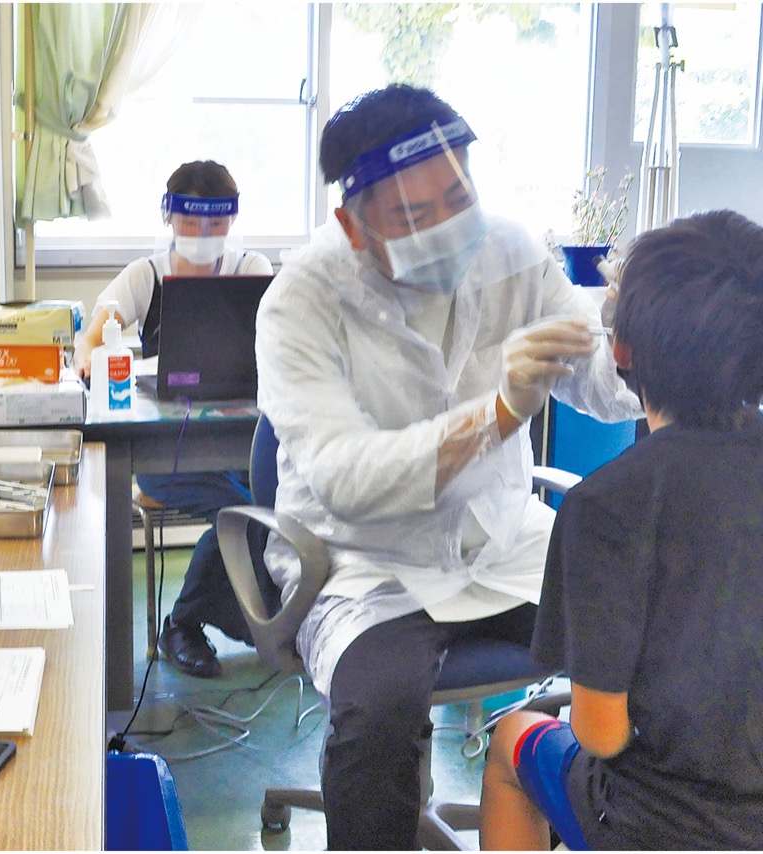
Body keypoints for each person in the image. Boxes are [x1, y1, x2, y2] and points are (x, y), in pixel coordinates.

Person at [253, 84, 641, 849]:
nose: (446, 228)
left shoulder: (512, 255)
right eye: (412, 215)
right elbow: (345, 479)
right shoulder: (300, 302)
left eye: (457, 198)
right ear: (352, 224)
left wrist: (638, 337)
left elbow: (598, 379)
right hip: (366, 563)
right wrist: (496, 414)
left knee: (650, 637)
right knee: (376, 715)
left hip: (503, 539)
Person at [479, 210, 763, 850]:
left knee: (510, 741)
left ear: (623, 352)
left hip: (665, 823)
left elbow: (601, 734)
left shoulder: (607, 505)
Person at [75, 160, 273, 678]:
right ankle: (185, 624)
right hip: (167, 451)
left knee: (269, 507)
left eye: (216, 222)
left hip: (242, 441)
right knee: (247, 514)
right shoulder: (146, 275)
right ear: (168, 216)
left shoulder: (250, 269)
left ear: (232, 219)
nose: (203, 234)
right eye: (190, 221)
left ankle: (228, 620)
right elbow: (90, 341)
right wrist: (97, 357)